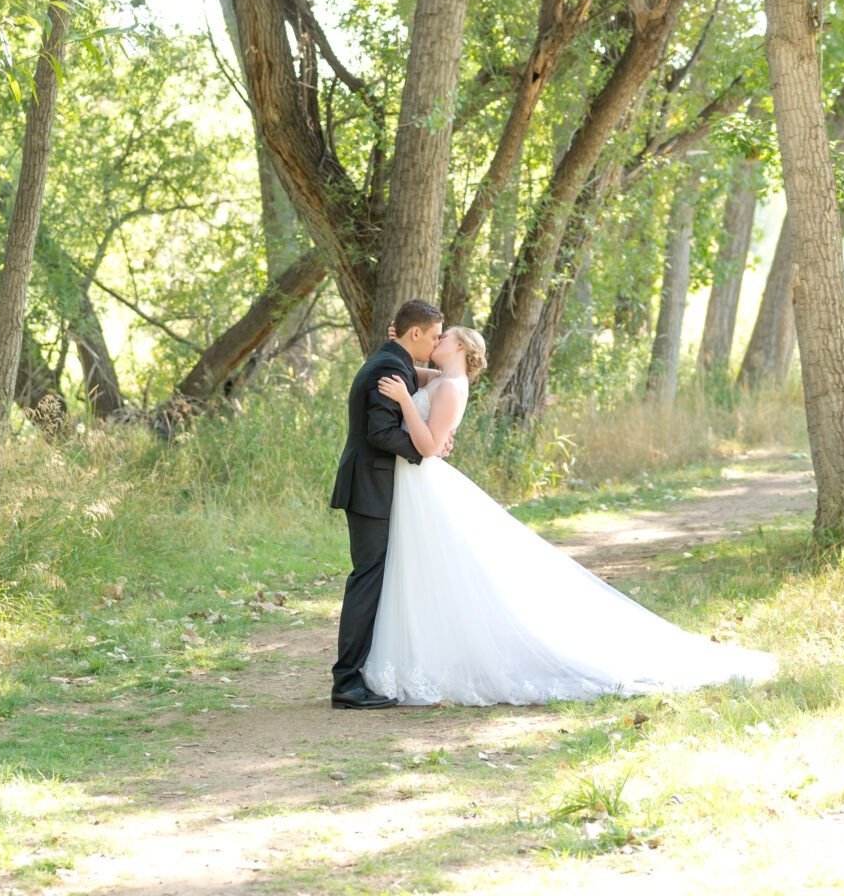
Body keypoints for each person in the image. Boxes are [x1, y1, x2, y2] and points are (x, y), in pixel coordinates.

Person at [359, 325, 778, 706]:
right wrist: (397, 347)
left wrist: (403, 403)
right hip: (416, 484)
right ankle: (426, 653)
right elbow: (418, 376)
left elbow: (430, 444)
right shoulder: (445, 379)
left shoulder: (452, 385)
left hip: (424, 475)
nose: (437, 341)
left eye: (444, 337)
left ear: (463, 347)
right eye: (434, 335)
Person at [328, 299, 449, 709]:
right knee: (367, 580)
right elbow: (380, 432)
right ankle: (346, 682)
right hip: (369, 488)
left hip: (372, 486)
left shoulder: (390, 360)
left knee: (373, 578)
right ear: (414, 334)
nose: (435, 345)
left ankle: (357, 674)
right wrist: (425, 450)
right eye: (433, 337)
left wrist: (453, 369)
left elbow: (419, 381)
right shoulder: (387, 368)